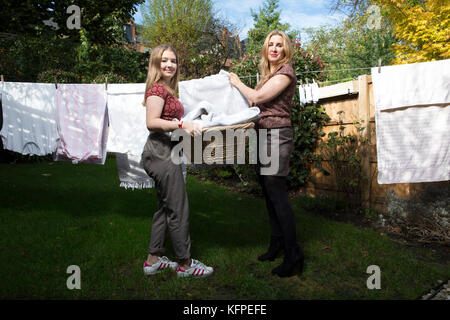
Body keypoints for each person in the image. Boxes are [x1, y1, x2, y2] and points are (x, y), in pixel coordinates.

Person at [229, 30, 304, 277]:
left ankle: (294, 255)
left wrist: (237, 82)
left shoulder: (286, 73)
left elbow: (258, 97)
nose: (274, 48)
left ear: (285, 50)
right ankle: (277, 244)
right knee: (269, 194)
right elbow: (253, 103)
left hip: (276, 136)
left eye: (279, 45)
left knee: (277, 194)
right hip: (262, 135)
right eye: (270, 44)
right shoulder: (268, 75)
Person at [141, 44, 213, 278]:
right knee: (178, 209)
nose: (169, 65)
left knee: (165, 207)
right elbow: (152, 122)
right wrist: (182, 124)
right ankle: (185, 264)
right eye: (164, 61)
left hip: (166, 151)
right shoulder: (157, 91)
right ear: (155, 64)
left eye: (173, 61)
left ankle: (152, 260)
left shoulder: (168, 90)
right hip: (161, 152)